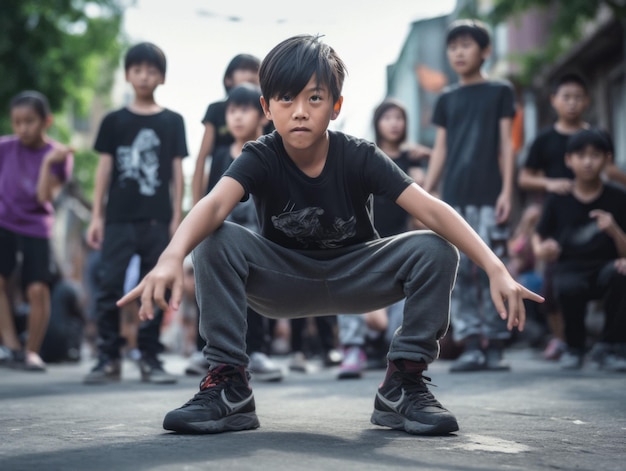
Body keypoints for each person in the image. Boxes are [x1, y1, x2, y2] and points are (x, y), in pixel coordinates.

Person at [118, 34, 541, 436]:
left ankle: (403, 384)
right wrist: (171, 257)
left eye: (314, 98)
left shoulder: (359, 156)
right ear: (267, 107)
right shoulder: (260, 155)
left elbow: (430, 208)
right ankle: (229, 384)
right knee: (216, 237)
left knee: (434, 248)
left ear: (335, 106)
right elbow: (211, 204)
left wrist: (495, 267)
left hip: (356, 274)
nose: (300, 110)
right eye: (286, 98)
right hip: (282, 279)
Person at [84, 42, 188, 385]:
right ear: (128, 74)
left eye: (152, 70)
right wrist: (97, 216)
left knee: (154, 288)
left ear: (162, 76)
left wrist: (177, 216)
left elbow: (176, 172)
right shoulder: (114, 121)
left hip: (157, 219)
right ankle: (108, 357)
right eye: (138, 69)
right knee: (108, 285)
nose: (144, 76)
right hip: (118, 218)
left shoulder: (173, 121)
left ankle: (149, 357)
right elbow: (104, 169)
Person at [423, 19, 516, 372]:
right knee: (459, 272)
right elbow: (441, 150)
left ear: (485, 51)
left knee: (494, 265)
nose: (459, 52)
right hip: (454, 199)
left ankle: (496, 342)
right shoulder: (447, 98)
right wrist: (427, 192)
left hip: (490, 194)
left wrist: (508, 190)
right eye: (453, 46)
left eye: (467, 45)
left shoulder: (500, 91)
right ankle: (473, 343)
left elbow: (507, 145)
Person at [518, 73, 626, 360]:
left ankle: (609, 344)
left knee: (617, 273)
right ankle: (568, 342)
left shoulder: (600, 142)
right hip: (561, 221)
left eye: (578, 97)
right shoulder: (545, 140)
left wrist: (615, 225)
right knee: (558, 286)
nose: (572, 103)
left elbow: (612, 172)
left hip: (600, 238)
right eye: (566, 97)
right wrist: (550, 184)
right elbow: (525, 178)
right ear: (554, 100)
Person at [337, 98, 429, 379]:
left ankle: (394, 351)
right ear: (377, 123)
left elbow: (425, 206)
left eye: (399, 118)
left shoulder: (411, 161)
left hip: (399, 243)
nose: (394, 123)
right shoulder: (366, 157)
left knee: (403, 296)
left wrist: (426, 158)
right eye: (387, 117)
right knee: (346, 283)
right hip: (365, 244)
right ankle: (353, 347)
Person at [203, 83, 284, 382]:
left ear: (263, 114)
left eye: (245, 110)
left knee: (256, 298)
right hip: (227, 235)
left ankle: (258, 351)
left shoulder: (272, 152)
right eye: (232, 111)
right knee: (218, 294)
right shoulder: (222, 155)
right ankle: (215, 353)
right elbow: (212, 199)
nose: (237, 117)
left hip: (261, 239)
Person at [532, 128, 626, 371]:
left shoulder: (618, 198)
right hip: (570, 267)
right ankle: (574, 347)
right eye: (581, 155)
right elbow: (539, 235)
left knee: (621, 274)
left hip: (606, 267)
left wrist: (614, 230)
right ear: (569, 160)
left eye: (595, 155)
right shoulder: (558, 197)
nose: (587, 161)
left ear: (607, 159)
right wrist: (543, 249)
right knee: (567, 285)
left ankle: (611, 347)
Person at [0, 91, 74, 372]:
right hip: (3, 222)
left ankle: (31, 351)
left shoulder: (59, 155)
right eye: (17, 122)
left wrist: (46, 163)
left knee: (37, 289)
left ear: (46, 121)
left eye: (29, 121)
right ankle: (10, 346)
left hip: (36, 227)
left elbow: (44, 197)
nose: (22, 129)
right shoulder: (4, 148)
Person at [191, 54, 264, 206]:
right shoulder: (217, 109)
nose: (250, 74)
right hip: (223, 170)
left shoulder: (268, 110)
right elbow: (203, 157)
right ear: (228, 78)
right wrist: (196, 203)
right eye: (244, 69)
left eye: (255, 70)